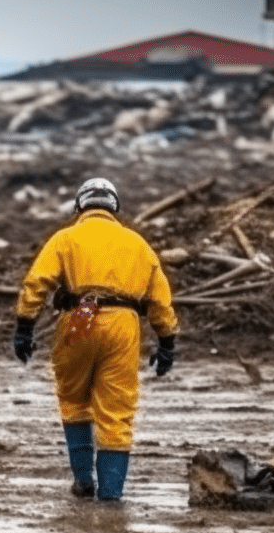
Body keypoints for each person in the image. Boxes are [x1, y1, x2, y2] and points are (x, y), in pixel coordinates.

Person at [12, 178, 179, 502]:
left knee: (74, 399)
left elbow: (36, 284)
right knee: (117, 411)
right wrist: (167, 341)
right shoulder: (138, 244)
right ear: (114, 207)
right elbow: (160, 300)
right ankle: (112, 494)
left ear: (80, 206)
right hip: (123, 325)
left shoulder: (65, 238)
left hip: (77, 320)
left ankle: (84, 480)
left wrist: (24, 327)